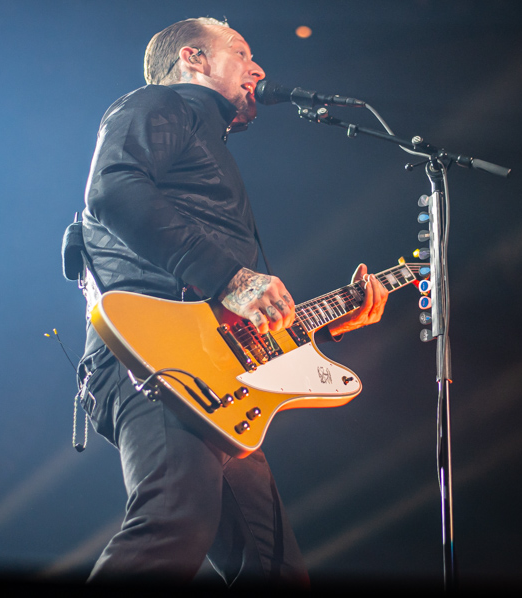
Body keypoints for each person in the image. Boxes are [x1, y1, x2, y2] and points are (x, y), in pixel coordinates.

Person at [75, 17, 388, 588]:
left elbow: (235, 321)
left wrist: (335, 319)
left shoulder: (203, 144)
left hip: (219, 382)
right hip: (156, 358)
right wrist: (232, 277)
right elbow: (112, 190)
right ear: (194, 59)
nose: (259, 68)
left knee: (277, 571)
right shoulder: (158, 104)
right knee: (174, 524)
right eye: (240, 53)